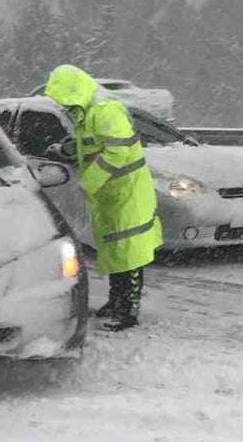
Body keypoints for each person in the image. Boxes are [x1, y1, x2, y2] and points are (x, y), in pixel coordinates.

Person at [43, 64, 162, 331]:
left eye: (66, 100)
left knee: (128, 251)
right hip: (111, 193)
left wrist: (90, 181)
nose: (65, 106)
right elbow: (91, 144)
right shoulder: (87, 112)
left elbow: (116, 151)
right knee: (113, 249)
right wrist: (66, 149)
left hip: (126, 191)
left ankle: (129, 310)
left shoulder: (105, 110)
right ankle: (116, 300)